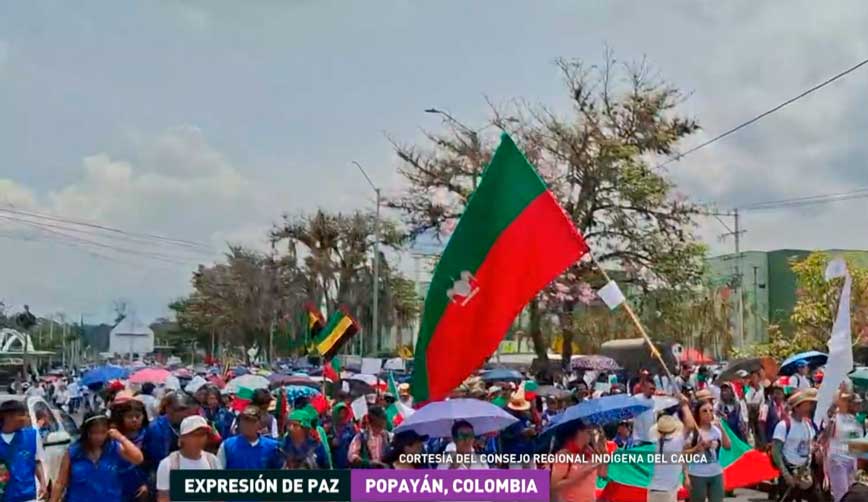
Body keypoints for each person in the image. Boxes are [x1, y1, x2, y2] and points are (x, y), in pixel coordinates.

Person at [50, 412, 144, 502]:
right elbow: (60, 483)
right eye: (94, 433)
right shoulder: (74, 452)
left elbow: (138, 459)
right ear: (86, 432)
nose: (98, 437)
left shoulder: (114, 448)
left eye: (103, 432)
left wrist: (120, 438)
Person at [142, 391, 199, 491]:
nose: (184, 413)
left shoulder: (187, 424)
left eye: (186, 409)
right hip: (161, 475)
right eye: (179, 410)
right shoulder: (156, 428)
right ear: (168, 409)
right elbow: (158, 458)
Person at [155, 416, 221, 502]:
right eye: (195, 435)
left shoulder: (213, 461)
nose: (200, 439)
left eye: (203, 434)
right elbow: (164, 498)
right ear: (183, 438)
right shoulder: (168, 464)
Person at [772, 389, 820, 502]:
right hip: (789, 472)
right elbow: (776, 451)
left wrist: (813, 449)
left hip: (804, 472)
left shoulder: (808, 425)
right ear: (797, 407)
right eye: (807, 404)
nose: (810, 407)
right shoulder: (783, 425)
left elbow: (809, 446)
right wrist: (786, 474)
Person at [647, 398, 694, 502]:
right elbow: (690, 425)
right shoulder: (677, 442)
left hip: (653, 490)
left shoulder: (655, 443)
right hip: (670, 491)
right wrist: (684, 405)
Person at [0, 400, 47, 502]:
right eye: (21, 415)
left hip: (27, 495)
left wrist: (43, 484)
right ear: (8, 416)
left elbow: (37, 461)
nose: (26, 419)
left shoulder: (32, 436)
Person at [686, 398, 731, 502]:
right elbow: (683, 455)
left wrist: (721, 429)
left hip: (716, 473)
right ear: (698, 413)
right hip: (698, 474)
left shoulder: (716, 430)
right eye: (704, 411)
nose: (708, 413)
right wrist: (697, 448)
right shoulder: (694, 432)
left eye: (711, 410)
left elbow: (728, 446)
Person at [550, 421, 608, 502]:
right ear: (579, 432)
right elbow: (553, 487)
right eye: (588, 432)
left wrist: (603, 452)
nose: (591, 436)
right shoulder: (564, 454)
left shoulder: (590, 452)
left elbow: (603, 473)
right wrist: (582, 474)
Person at [824, 392, 862, 502]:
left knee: (851, 493)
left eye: (859, 404)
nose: (858, 406)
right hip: (838, 460)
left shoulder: (857, 421)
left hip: (852, 461)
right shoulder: (836, 418)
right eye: (855, 404)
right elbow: (826, 437)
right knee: (841, 494)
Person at [111, 392, 149, 501]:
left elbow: (152, 463)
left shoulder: (148, 435)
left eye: (137, 416)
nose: (134, 420)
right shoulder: (114, 435)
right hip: (117, 485)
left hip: (141, 486)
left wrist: (147, 483)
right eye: (129, 417)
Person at [217, 406, 283, 469]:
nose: (247, 425)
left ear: (259, 424)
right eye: (244, 421)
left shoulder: (272, 446)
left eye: (252, 422)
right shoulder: (227, 445)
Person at [330, 403, 356, 469]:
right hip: (335, 461)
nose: (342, 415)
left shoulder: (351, 427)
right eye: (340, 413)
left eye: (344, 412)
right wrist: (331, 441)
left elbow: (355, 442)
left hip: (348, 462)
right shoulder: (330, 427)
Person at [632, 379, 657, 445]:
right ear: (644, 388)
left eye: (654, 389)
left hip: (652, 439)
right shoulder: (636, 399)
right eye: (650, 389)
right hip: (638, 438)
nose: (652, 391)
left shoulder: (655, 400)